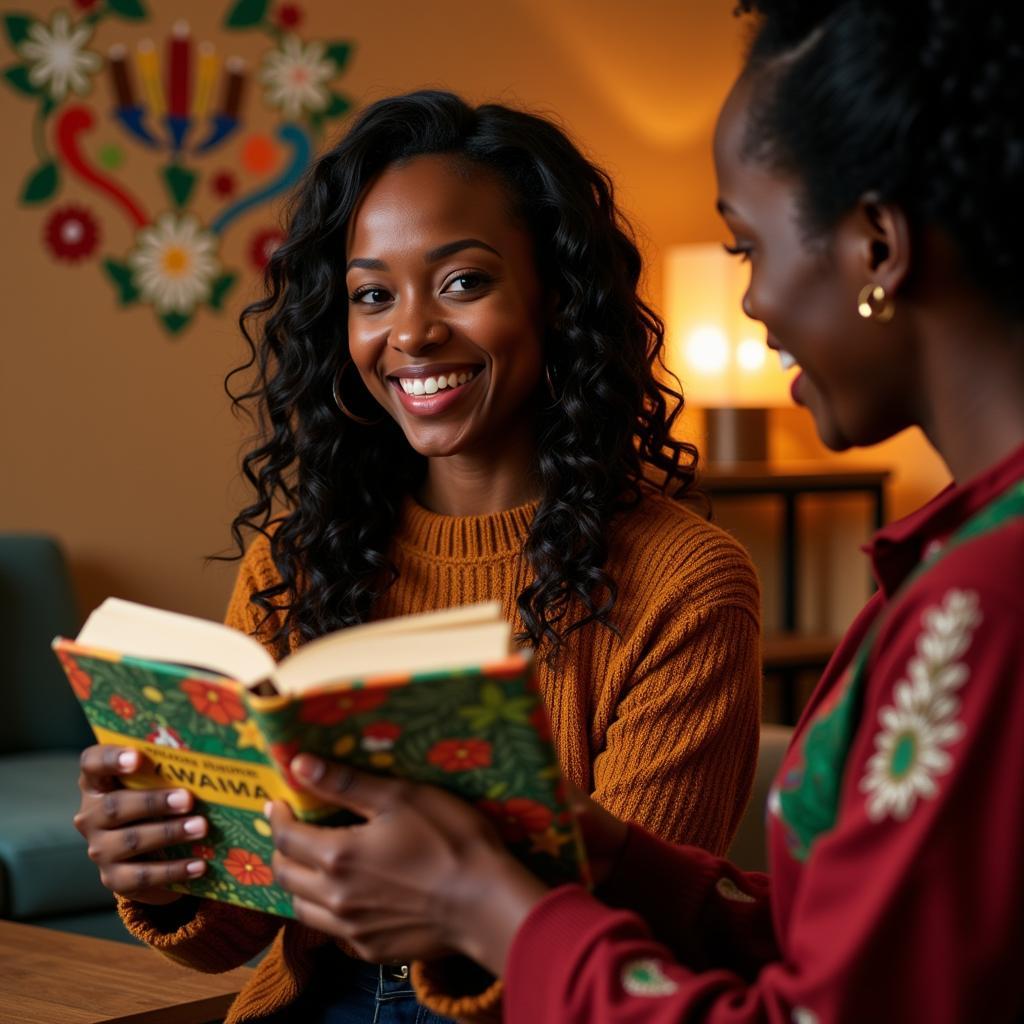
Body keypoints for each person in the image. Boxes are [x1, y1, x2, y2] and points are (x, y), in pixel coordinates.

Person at [247, 4, 1024, 1022]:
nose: (748, 305)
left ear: (876, 243)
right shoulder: (949, 569)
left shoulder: (982, 598)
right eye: (369, 295)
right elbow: (842, 950)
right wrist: (609, 854)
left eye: (744, 245)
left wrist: (489, 906)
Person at [73, 91, 763, 1023]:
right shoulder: (297, 560)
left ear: (556, 297)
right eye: (371, 295)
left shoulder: (686, 586)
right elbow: (239, 931)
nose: (410, 333)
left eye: (463, 282)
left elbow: (622, 944)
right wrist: (165, 868)